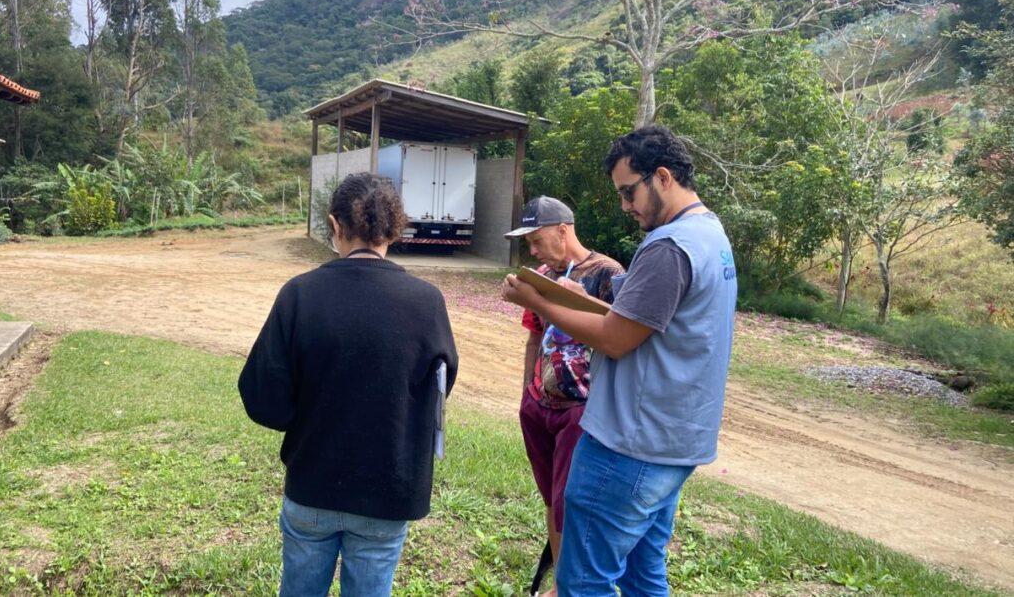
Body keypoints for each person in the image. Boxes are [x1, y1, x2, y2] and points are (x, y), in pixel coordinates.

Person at [502, 125, 737, 596]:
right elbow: (636, 320)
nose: (626, 206)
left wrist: (539, 301)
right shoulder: (709, 235)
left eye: (630, 192)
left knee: (583, 581)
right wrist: (569, 296)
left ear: (663, 177)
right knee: (641, 576)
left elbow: (615, 338)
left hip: (631, 445)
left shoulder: (668, 247)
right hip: (674, 442)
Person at [239, 172, 459, 597]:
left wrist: (304, 414)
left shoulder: (299, 294)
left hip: (312, 483)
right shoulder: (427, 301)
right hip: (389, 490)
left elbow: (262, 395)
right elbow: (438, 388)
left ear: (335, 225)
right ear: (393, 229)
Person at [504, 196, 624, 596]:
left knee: (569, 501)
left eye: (536, 240)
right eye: (528, 244)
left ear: (562, 230)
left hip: (582, 407)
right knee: (550, 499)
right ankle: (559, 580)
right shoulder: (541, 276)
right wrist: (527, 392)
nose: (533, 250)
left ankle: (571, 582)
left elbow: (623, 334)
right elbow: (535, 336)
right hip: (540, 404)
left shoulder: (607, 272)